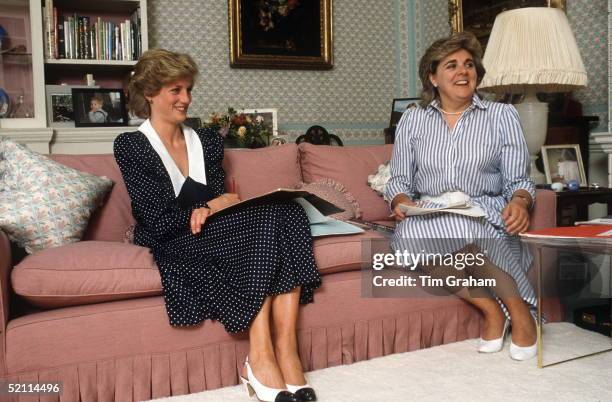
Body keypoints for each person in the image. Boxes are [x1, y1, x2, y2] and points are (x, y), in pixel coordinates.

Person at [114, 49, 320, 402]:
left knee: (289, 211)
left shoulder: (206, 140)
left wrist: (215, 203)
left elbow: (222, 198)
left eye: (188, 89)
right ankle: (260, 356)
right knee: (267, 225)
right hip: (171, 234)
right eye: (175, 90)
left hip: (213, 226)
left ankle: (287, 351)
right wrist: (212, 206)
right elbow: (154, 217)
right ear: (149, 93)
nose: (186, 99)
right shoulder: (132, 145)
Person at [384, 32, 538, 361]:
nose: (462, 71)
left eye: (469, 65)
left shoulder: (501, 116)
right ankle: (491, 310)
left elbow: (518, 179)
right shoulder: (412, 119)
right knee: (409, 237)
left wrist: (520, 202)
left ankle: (521, 312)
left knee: (466, 229)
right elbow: (399, 179)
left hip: (482, 209)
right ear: (433, 76)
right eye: (451, 65)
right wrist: (399, 201)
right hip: (430, 211)